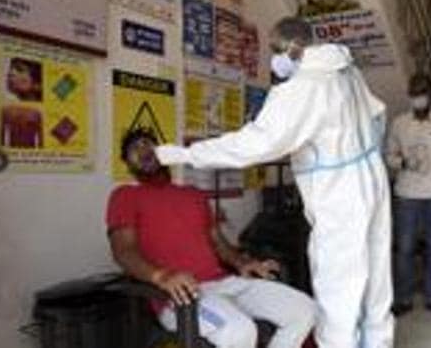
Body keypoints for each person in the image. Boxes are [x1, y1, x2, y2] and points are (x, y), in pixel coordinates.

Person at [155, 17, 394, 348]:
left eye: (275, 52)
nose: (275, 60)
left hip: (339, 195)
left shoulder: (301, 88)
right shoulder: (346, 69)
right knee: (375, 286)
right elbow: (378, 115)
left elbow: (250, 146)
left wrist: (184, 155)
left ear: (291, 49)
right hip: (372, 181)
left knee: (338, 290)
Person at [106, 127, 316, 348]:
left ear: (164, 153)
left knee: (305, 311)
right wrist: (162, 277)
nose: (143, 150)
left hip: (225, 283)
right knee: (239, 331)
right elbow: (123, 251)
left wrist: (243, 262)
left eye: (147, 144)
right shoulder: (125, 196)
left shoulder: (193, 194)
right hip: (183, 296)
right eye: (134, 149)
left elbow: (218, 243)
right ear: (128, 165)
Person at [386, 74, 431, 317]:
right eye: (415, 95)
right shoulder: (399, 123)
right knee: (405, 248)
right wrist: (404, 162)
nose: (419, 99)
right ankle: (403, 299)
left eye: (423, 94)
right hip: (406, 194)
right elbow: (388, 157)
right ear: (410, 96)